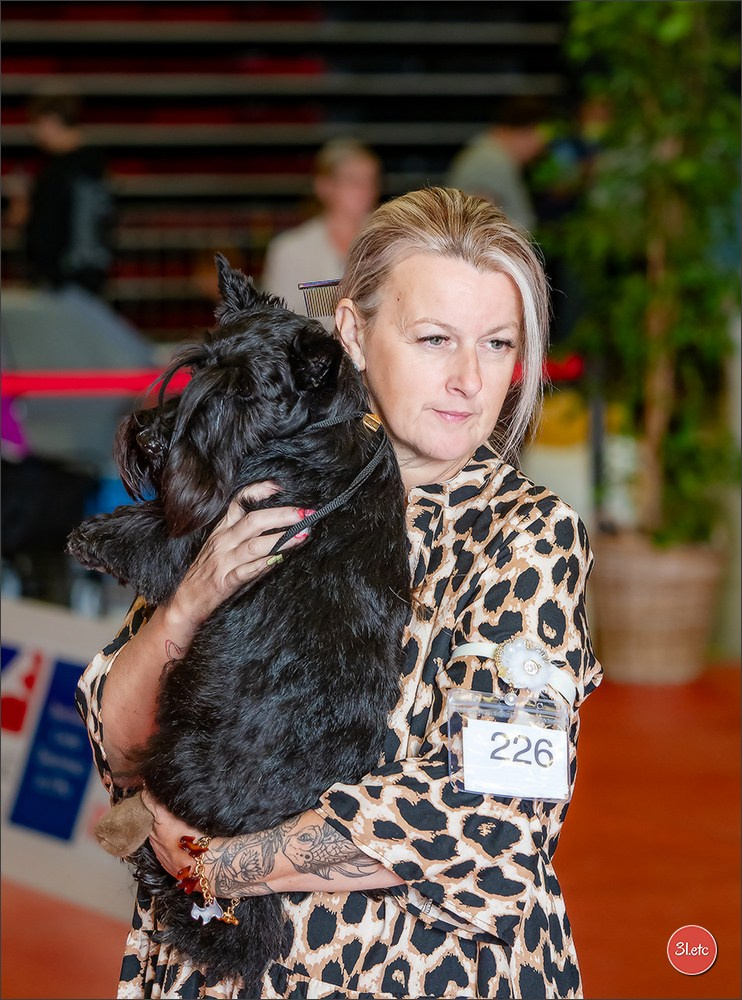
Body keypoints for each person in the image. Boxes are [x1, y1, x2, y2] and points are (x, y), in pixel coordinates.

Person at [76, 187, 602, 998]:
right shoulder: (258, 486)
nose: (469, 379)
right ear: (354, 333)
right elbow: (120, 748)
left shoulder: (527, 536)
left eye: (497, 344)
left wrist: (219, 864)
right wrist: (186, 607)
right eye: (434, 339)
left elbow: (490, 819)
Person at [261, 138, 381, 314]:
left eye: (371, 180)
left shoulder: (390, 239)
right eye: (353, 181)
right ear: (324, 186)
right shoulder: (290, 250)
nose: (366, 189)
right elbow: (276, 320)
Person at [19, 90, 114, 296]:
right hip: (84, 273)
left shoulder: (63, 172)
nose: (33, 132)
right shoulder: (93, 165)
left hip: (66, 278)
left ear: (51, 121)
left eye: (36, 124)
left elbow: (50, 227)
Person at [445, 97, 552, 232]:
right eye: (540, 142)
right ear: (526, 131)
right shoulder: (489, 163)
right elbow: (478, 228)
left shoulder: (492, 157)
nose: (540, 151)